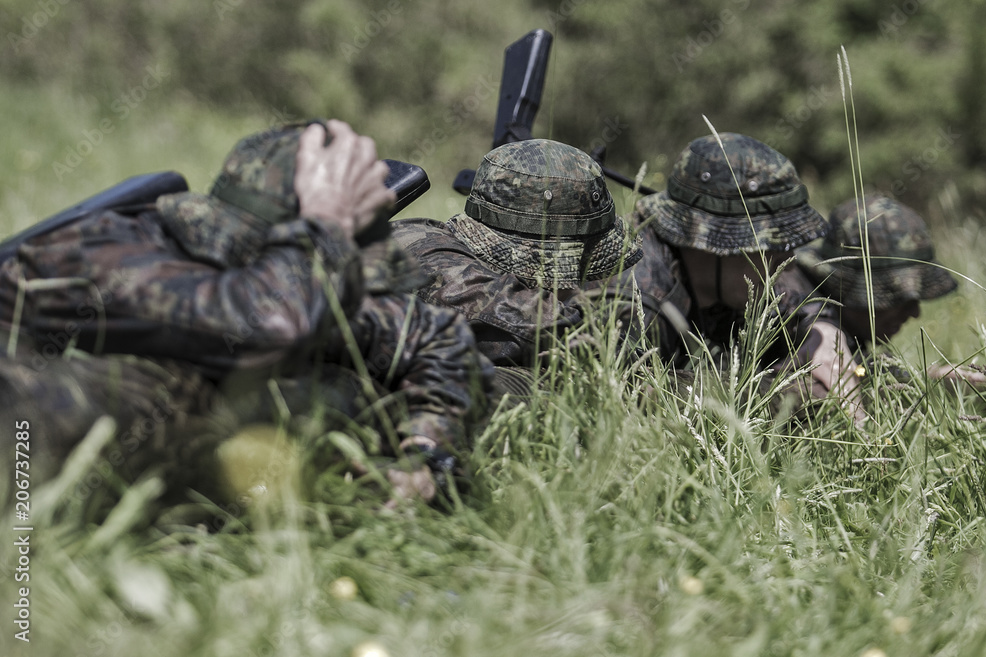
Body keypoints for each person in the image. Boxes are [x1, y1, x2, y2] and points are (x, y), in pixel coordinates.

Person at [0, 119, 491, 504]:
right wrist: (326, 222)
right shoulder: (97, 253)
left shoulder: (293, 285)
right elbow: (268, 324)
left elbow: (436, 337)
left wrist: (425, 455)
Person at [611, 132, 865, 414]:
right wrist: (787, 394)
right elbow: (633, 395)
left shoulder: (728, 276)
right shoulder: (637, 295)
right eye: (773, 245)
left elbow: (791, 298)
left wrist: (821, 329)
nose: (789, 262)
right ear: (715, 243)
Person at [391, 138, 642, 393]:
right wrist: (638, 369)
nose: (578, 286)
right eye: (578, 268)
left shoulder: (429, 241)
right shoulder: (443, 270)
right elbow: (544, 327)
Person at [796, 193, 982, 387]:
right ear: (841, 287)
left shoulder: (845, 327)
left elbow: (859, 368)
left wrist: (925, 381)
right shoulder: (799, 323)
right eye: (897, 298)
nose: (915, 313)